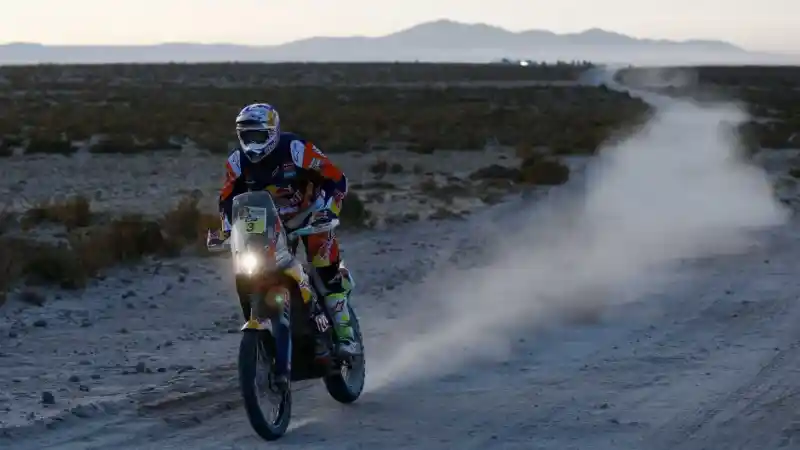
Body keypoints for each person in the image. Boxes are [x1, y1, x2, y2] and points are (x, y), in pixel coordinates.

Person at [207, 103, 359, 362]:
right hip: (267, 221)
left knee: (324, 267)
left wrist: (328, 209)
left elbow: (335, 177)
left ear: (273, 132)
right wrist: (227, 230)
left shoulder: (295, 149)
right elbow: (227, 199)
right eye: (247, 136)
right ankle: (268, 326)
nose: (253, 143)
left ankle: (346, 336)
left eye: (259, 136)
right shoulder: (237, 162)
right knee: (254, 268)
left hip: (310, 213)